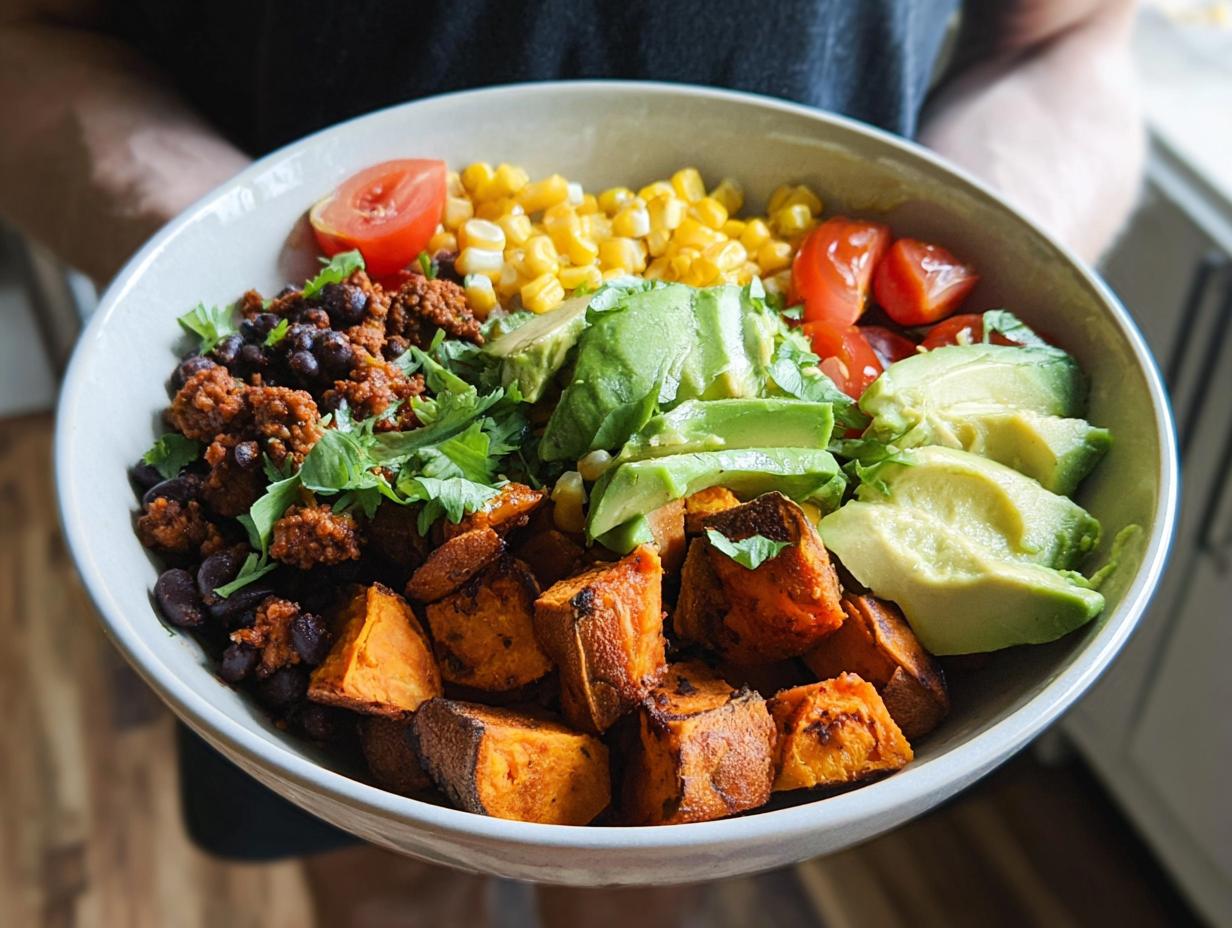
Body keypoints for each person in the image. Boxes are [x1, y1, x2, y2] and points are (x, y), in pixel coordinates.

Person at [0, 1, 1144, 925]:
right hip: (325, 316)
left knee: (654, 850)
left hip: (797, 299)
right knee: (378, 857)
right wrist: (228, 244)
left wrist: (958, 298)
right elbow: (37, 35)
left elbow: (1062, 39)